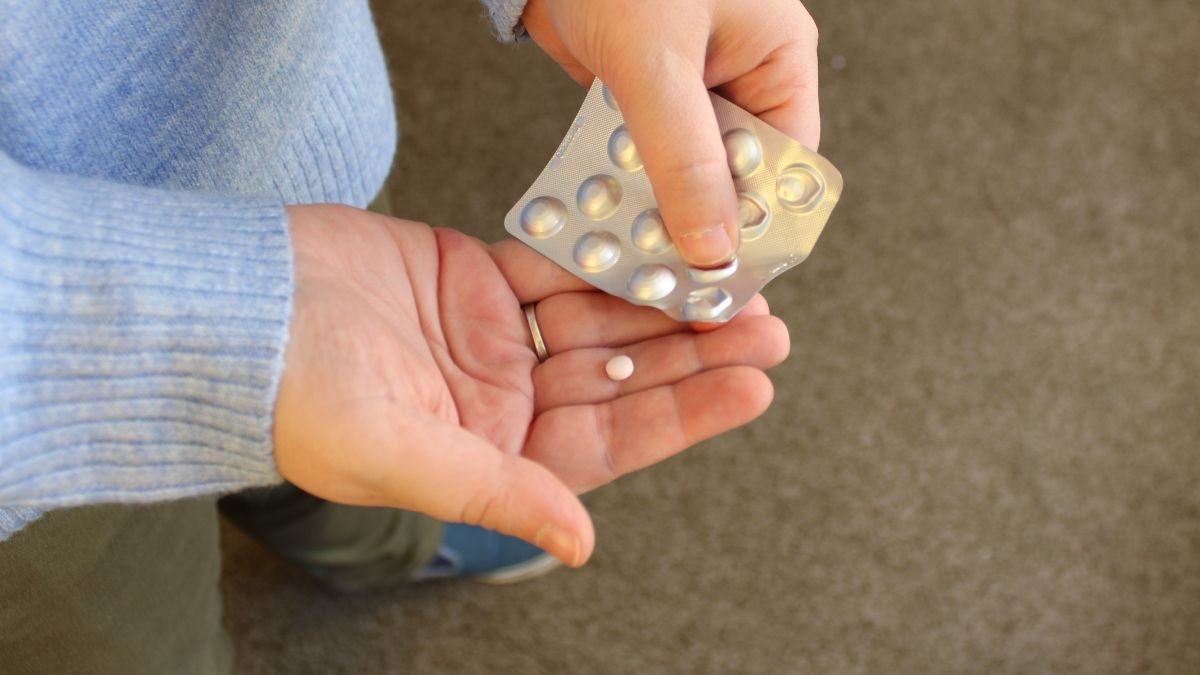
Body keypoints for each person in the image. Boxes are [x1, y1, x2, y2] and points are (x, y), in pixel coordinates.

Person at [0, 0, 819, 670]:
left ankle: (384, 540)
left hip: (291, 150)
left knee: (384, 441)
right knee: (137, 642)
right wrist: (229, 324)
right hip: (39, 410)